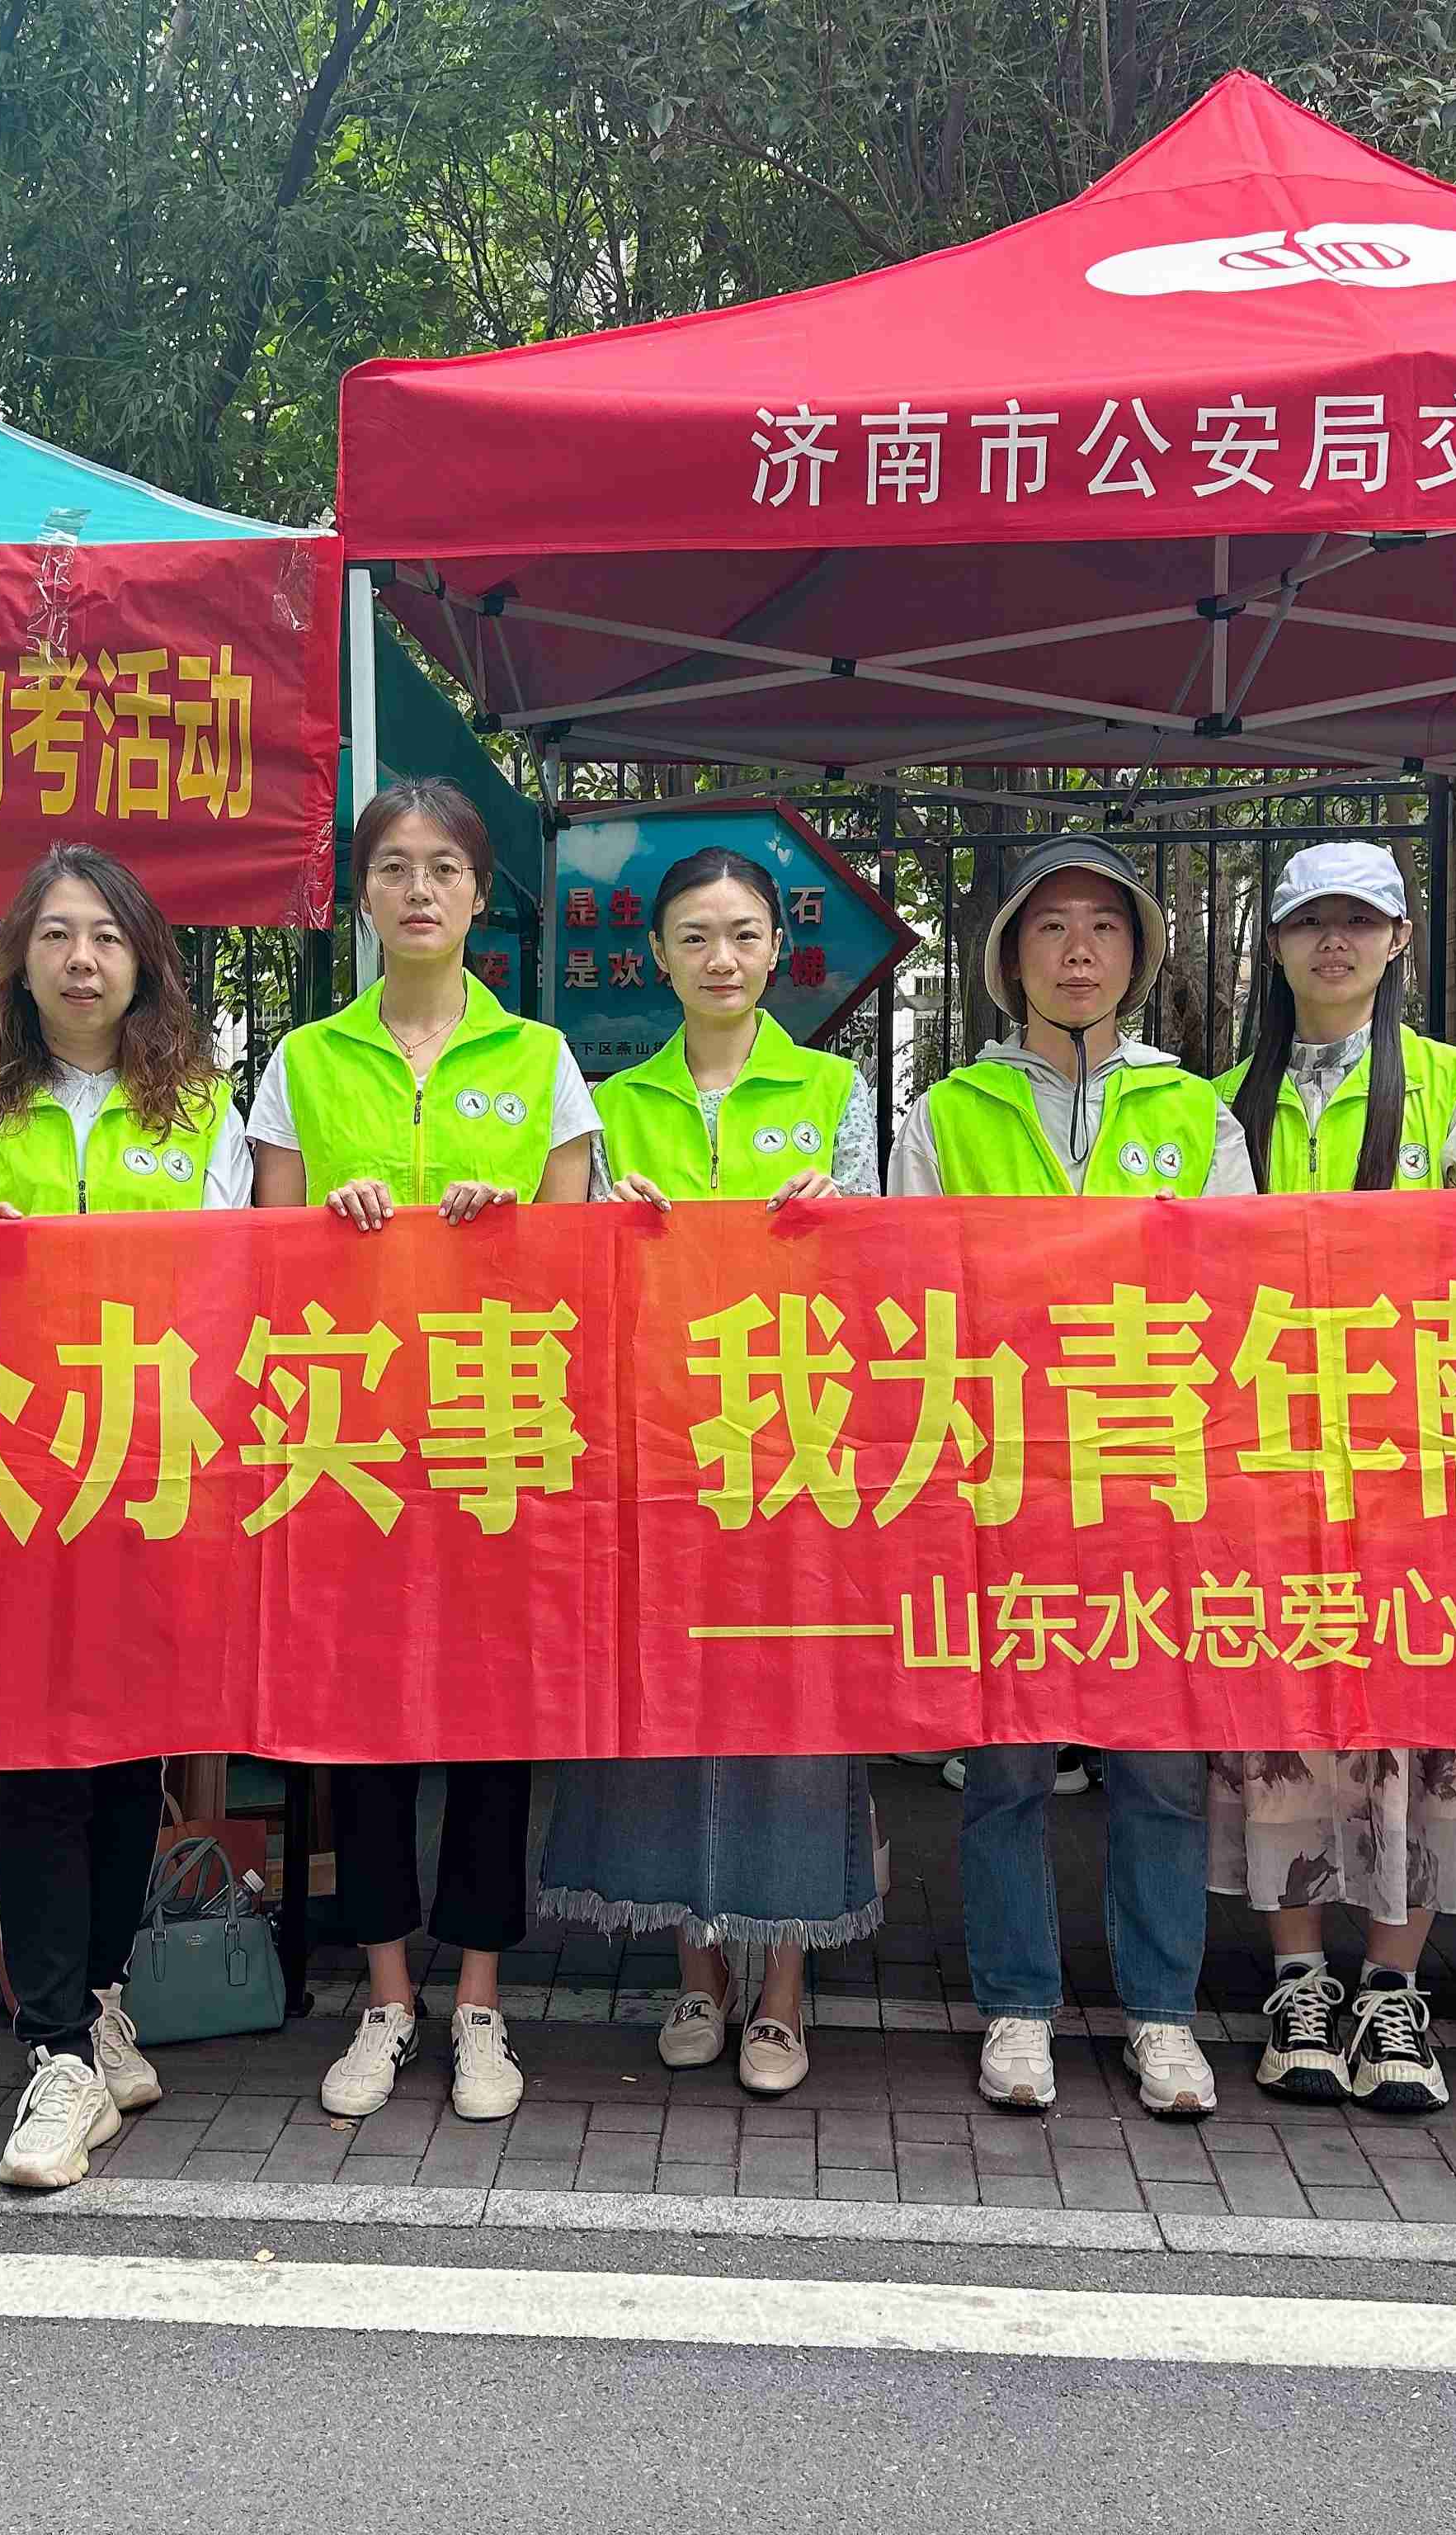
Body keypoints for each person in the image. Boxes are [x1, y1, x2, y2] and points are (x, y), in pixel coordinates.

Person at [0, 844, 252, 2187]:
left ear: (145, 960)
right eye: (55, 935)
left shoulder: (200, 1111)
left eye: (106, 935)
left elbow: (236, 1292)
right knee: (35, 1760)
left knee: (123, 1757)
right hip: (8, 1477)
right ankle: (52, 2051)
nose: (82, 959)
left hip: (151, 1475)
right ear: (19, 962)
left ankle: (100, 2000)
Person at [889, 833, 1255, 2118]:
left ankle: (1162, 2017)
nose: (1079, 951)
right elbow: (910, 1296)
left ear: (1137, 956)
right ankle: (1017, 2006)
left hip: (1153, 1482)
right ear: (1009, 960)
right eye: (1051, 928)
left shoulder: (1194, 1111)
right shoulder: (947, 1114)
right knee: (1006, 1768)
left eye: (1104, 926)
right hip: (1005, 1485)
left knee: (1161, 1766)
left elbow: (1237, 1293)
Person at [252, 778, 596, 2125]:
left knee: (490, 1727)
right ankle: (387, 1996)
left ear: (477, 894)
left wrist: (510, 1224)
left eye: (443, 867)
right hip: (348, 1444)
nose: (417, 890)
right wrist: (324, 1221)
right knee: (364, 1725)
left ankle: (482, 2002)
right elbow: (264, 1265)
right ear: (361, 894)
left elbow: (574, 1267)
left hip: (491, 1437)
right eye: (392, 866)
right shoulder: (303, 1061)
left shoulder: (540, 1060)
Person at [1206, 839, 1456, 2117]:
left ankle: (1393, 1988)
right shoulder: (1223, 1099)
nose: (1335, 943)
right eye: (1310, 922)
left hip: (1423, 1460)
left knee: (1419, 1716)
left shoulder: (1453, 1086)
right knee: (1286, 1726)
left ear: (1401, 938)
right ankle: (1298, 1980)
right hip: (1274, 1463)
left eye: (1360, 921)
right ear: (1276, 945)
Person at [540, 846, 885, 2098]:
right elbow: (568, 1288)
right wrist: (606, 1233)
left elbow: (882, 1273)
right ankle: (697, 1971)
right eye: (694, 936)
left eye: (742, 934)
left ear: (777, 950)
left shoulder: (837, 1090)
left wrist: (840, 1217)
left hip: (797, 1448)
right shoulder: (614, 1103)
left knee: (791, 1711)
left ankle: (783, 1988)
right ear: (658, 956)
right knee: (674, 1707)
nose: (721, 958)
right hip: (664, 1447)